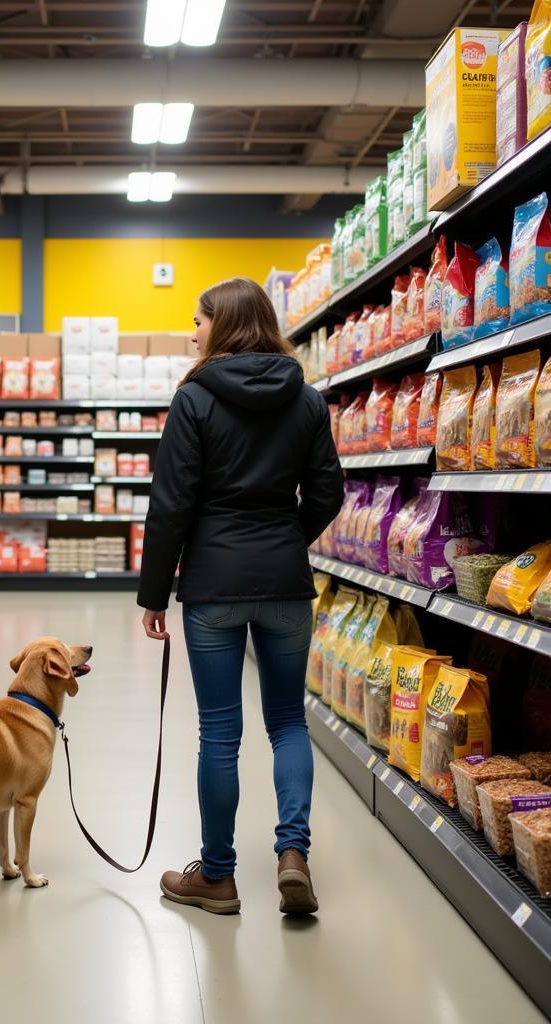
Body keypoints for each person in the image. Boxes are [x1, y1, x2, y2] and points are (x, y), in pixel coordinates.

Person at [137, 276, 343, 917]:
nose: (191, 332)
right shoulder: (307, 400)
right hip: (285, 582)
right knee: (287, 722)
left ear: (220, 326)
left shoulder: (194, 399)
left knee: (219, 733)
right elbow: (329, 494)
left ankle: (219, 877)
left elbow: (171, 505)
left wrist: (154, 593)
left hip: (213, 586)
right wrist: (286, 539)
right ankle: (292, 856)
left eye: (196, 321)